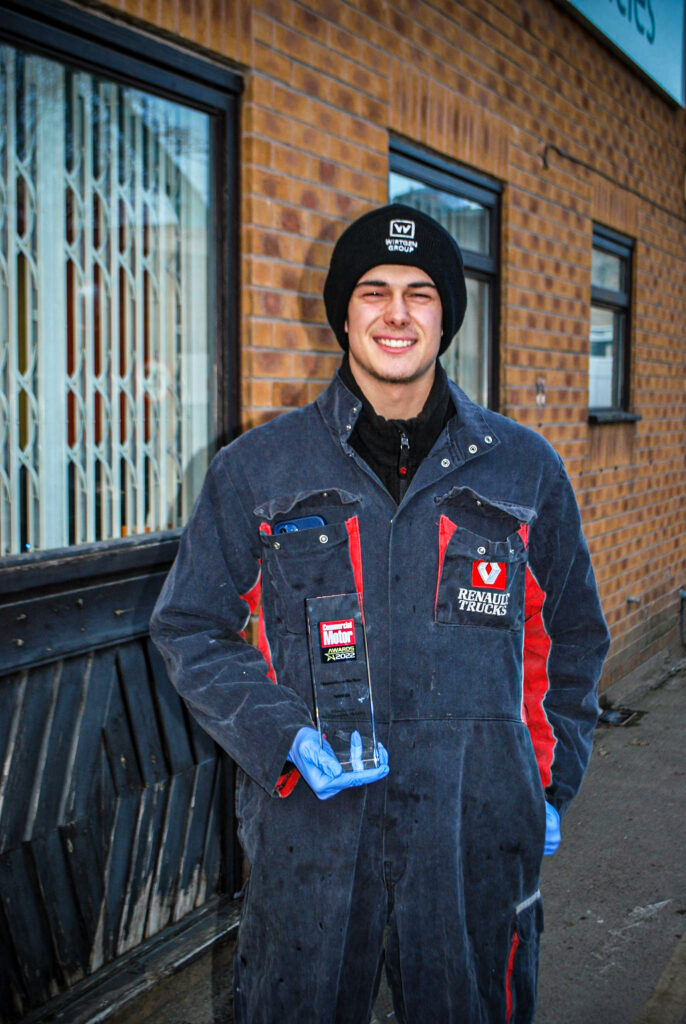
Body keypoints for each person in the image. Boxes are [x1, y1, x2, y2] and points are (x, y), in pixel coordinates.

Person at [150, 203, 610, 1024]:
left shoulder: (524, 472)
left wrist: (546, 782)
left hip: (473, 829)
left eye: (421, 292)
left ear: (447, 317)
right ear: (344, 312)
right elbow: (191, 627)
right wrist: (281, 737)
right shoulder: (259, 469)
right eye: (374, 290)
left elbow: (568, 637)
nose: (397, 313)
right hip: (313, 829)